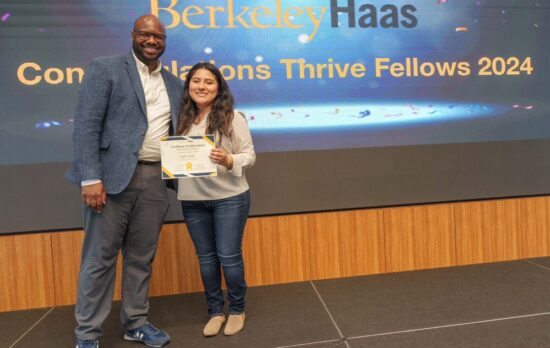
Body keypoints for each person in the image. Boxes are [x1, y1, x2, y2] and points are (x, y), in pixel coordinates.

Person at [65, 15, 182, 348]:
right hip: (110, 179)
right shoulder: (106, 68)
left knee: (140, 258)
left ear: (164, 41)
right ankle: (87, 334)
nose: (151, 40)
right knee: (99, 260)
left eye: (158, 36)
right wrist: (91, 177)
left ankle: (135, 322)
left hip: (155, 179)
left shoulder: (174, 83)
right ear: (133, 36)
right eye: (145, 34)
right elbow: (86, 126)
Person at [176, 62, 256, 337]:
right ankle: (214, 312)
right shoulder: (181, 119)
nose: (201, 86)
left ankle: (236, 310)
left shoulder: (233, 117)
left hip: (229, 198)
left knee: (229, 257)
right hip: (192, 200)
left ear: (218, 87)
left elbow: (249, 155)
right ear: (188, 87)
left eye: (208, 82)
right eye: (195, 81)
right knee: (206, 259)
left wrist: (229, 158)